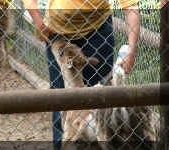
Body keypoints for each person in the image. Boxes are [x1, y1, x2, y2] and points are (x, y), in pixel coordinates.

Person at [22, 0, 140, 149]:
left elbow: (131, 6)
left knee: (99, 105)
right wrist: (39, 22)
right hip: (57, 36)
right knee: (60, 101)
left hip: (97, 34)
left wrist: (131, 49)